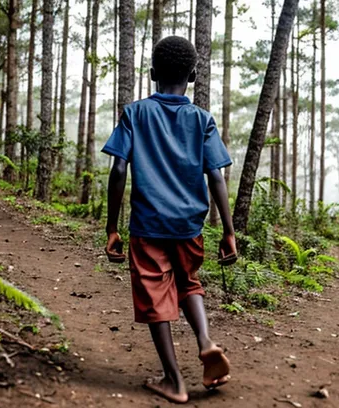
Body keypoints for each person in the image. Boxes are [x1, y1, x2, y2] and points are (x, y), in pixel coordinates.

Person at [102, 36, 237, 405]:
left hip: (148, 226)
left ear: (151, 74)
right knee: (188, 282)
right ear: (193, 75)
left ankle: (173, 380)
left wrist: (112, 226)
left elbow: (118, 170)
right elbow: (217, 176)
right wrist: (228, 231)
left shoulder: (135, 113)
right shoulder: (202, 119)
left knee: (154, 296)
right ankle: (206, 341)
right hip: (189, 226)